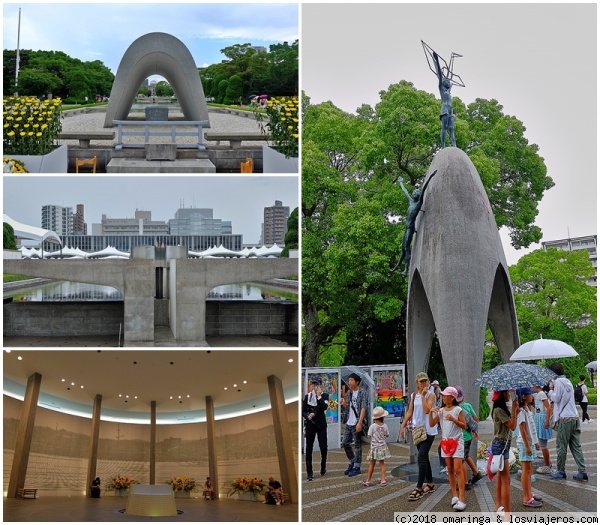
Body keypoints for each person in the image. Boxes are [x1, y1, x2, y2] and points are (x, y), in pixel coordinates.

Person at [400, 372, 438, 501]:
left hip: (428, 430)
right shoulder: (413, 395)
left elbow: (427, 410)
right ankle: (431, 483)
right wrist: (403, 426)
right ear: (417, 383)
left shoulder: (431, 395)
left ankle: (419, 487)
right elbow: (410, 411)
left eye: (425, 381)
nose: (423, 384)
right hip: (417, 430)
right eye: (421, 381)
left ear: (428, 382)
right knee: (424, 457)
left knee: (421, 457)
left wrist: (423, 396)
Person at [547, 363, 588, 481]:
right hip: (574, 417)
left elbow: (556, 398)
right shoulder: (567, 381)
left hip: (565, 419)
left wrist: (550, 392)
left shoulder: (558, 382)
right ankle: (582, 471)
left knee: (561, 445)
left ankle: (560, 471)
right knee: (576, 446)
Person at [430, 386, 467, 511]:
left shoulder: (458, 410)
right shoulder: (441, 411)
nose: (444, 397)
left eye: (446, 396)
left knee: (458, 469)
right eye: (443, 395)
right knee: (450, 469)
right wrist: (431, 412)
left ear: (452, 397)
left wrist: (454, 420)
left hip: (457, 441)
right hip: (445, 443)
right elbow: (432, 423)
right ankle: (454, 495)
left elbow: (464, 425)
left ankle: (462, 498)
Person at [394, 171, 437, 275]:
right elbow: (405, 192)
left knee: (406, 247)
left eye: (416, 193)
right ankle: (398, 264)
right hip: (406, 227)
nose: (414, 193)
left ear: (418, 196)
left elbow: (424, 190)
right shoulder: (411, 202)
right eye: (413, 193)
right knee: (403, 247)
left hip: (411, 228)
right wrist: (400, 183)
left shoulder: (418, 203)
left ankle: (406, 269)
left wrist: (430, 177)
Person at [491, 390, 518, 513]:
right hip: (500, 445)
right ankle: (507, 512)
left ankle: (498, 506)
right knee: (506, 480)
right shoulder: (499, 410)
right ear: (502, 395)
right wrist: (514, 410)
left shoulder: (499, 409)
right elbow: (512, 425)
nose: (509, 395)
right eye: (507, 393)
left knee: (501, 478)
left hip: (502, 445)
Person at [514, 388, 542, 508]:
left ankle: (530, 493)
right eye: (530, 394)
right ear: (524, 397)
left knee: (529, 470)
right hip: (524, 443)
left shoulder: (527, 409)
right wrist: (527, 446)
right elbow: (523, 430)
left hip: (529, 443)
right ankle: (526, 497)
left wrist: (535, 442)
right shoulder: (521, 411)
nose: (532, 396)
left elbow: (531, 428)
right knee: (526, 470)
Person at [455, 386, 483, 490]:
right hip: (468, 436)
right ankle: (476, 473)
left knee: (461, 460)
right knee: (466, 456)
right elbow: (476, 419)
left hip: (462, 437)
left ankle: (465, 482)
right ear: (463, 397)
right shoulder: (468, 405)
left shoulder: (456, 409)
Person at [340, 372, 368, 477]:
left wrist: (360, 422)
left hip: (357, 422)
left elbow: (363, 408)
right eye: (349, 380)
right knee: (345, 443)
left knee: (357, 445)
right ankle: (352, 461)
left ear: (357, 382)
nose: (349, 382)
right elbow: (348, 406)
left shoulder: (362, 393)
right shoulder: (350, 393)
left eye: (352, 380)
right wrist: (344, 403)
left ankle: (357, 466)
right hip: (349, 422)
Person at [302, 376, 329, 481]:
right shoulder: (307, 396)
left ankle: (323, 466)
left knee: (323, 447)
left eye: (317, 384)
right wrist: (307, 416)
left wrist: (319, 397)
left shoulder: (325, 396)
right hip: (310, 425)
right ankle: (309, 472)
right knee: (309, 448)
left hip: (321, 425)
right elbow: (303, 411)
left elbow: (324, 407)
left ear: (320, 385)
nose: (315, 386)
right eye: (313, 384)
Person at [363, 406, 391, 487]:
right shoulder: (385, 426)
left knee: (372, 464)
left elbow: (368, 436)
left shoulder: (372, 426)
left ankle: (368, 480)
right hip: (382, 447)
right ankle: (383, 480)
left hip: (374, 447)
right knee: (382, 464)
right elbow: (387, 434)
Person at [433, 51, 456, 147]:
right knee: (444, 127)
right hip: (445, 110)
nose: (448, 81)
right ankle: (443, 145)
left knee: (451, 128)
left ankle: (454, 145)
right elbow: (439, 74)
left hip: (450, 111)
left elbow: (450, 83)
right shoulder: (442, 89)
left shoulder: (449, 90)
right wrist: (437, 61)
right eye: (446, 81)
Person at [532, 385, 554, 474]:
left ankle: (547, 465)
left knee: (543, 444)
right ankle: (548, 463)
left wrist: (547, 420)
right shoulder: (538, 394)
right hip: (539, 417)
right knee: (542, 443)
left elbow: (549, 408)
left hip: (542, 419)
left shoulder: (541, 394)